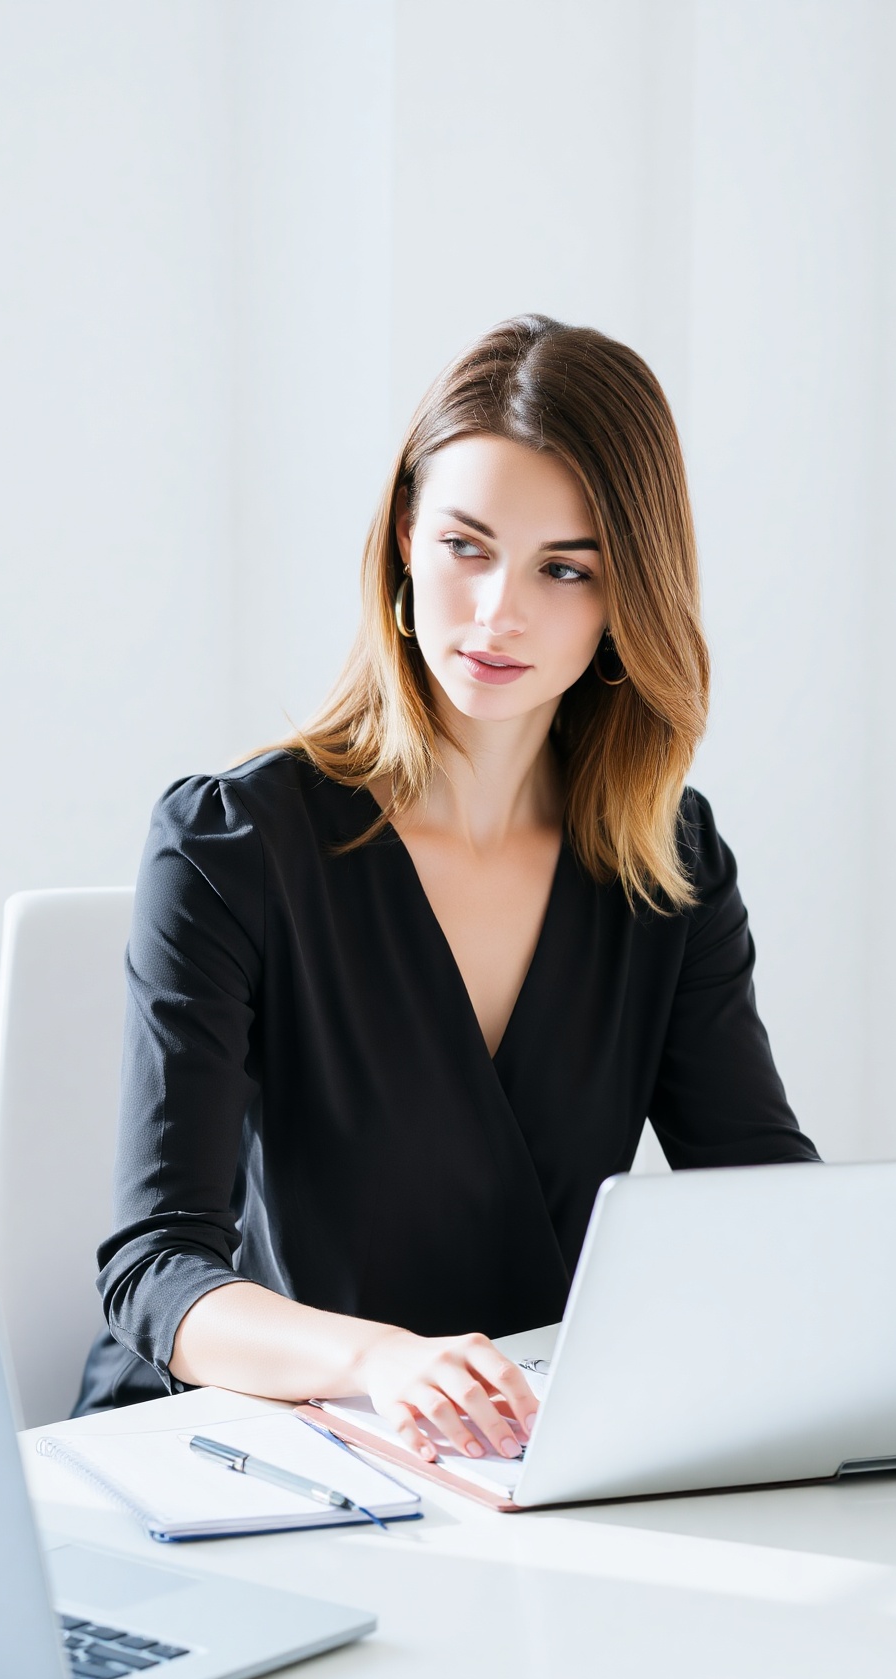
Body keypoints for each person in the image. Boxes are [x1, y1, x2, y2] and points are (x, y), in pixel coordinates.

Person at [77, 315, 818, 1457]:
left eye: (563, 568)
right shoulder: (228, 843)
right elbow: (156, 1264)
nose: (495, 613)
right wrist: (378, 1359)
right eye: (465, 546)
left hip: (515, 1454)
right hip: (258, 1448)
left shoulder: (666, 863)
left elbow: (759, 1199)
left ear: (626, 600)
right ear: (403, 545)